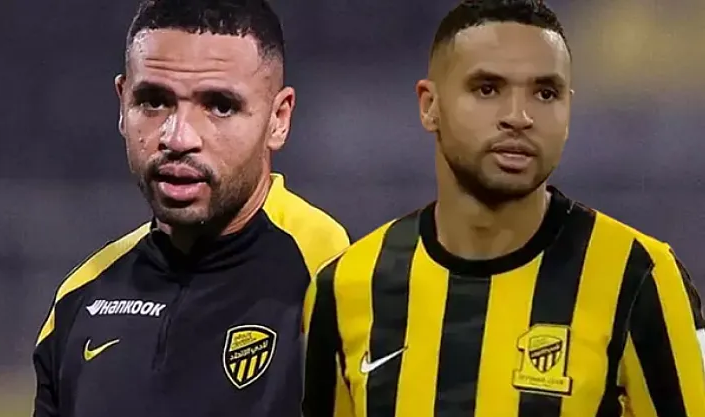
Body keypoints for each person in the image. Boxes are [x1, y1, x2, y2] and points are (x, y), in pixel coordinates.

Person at [302, 1, 705, 416]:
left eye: (545, 93)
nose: (519, 117)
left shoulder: (639, 277)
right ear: (429, 106)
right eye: (487, 89)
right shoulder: (346, 287)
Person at [32, 1, 349, 416]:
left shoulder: (335, 279)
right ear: (122, 104)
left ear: (278, 119)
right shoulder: (80, 298)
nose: (178, 138)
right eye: (153, 102)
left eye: (220, 106)